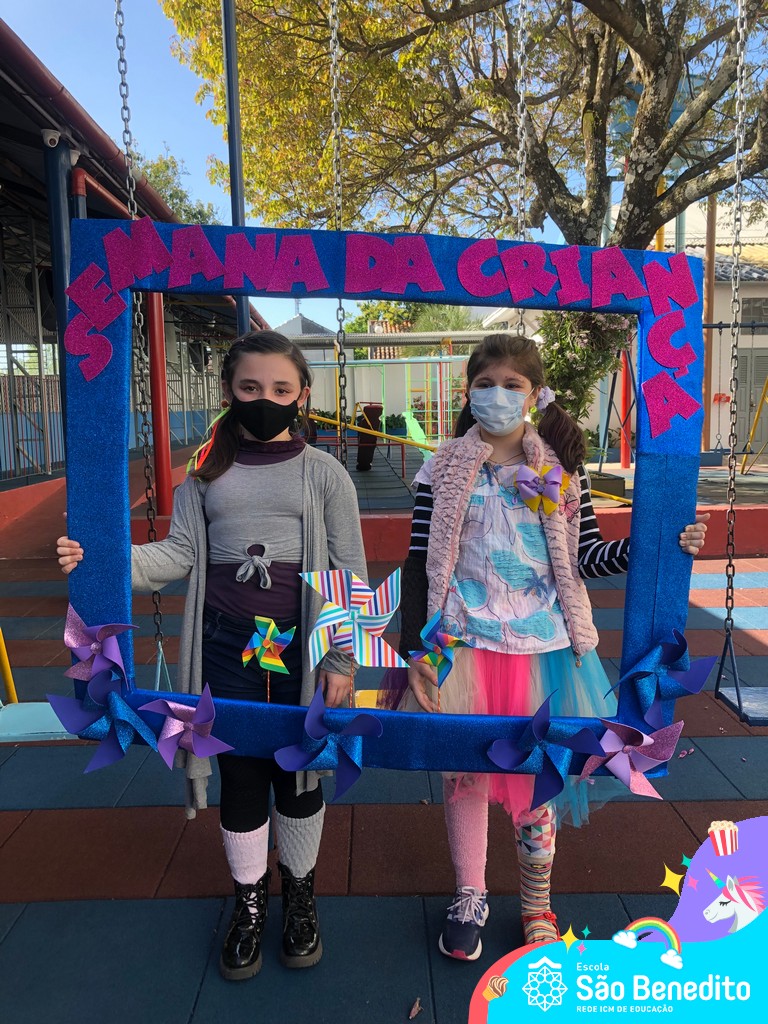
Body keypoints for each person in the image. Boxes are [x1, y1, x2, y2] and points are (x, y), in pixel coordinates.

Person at [57, 331, 367, 980]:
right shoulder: (206, 476)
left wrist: (341, 663)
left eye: (280, 389)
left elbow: (349, 572)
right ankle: (250, 901)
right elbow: (176, 555)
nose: (264, 400)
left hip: (300, 655)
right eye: (250, 388)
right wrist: (101, 559)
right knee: (242, 774)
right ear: (229, 391)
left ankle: (300, 894)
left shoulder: (325, 474)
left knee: (299, 774)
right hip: (226, 651)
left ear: (302, 395)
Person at [393, 333, 708, 960]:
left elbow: (585, 556)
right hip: (462, 646)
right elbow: (419, 558)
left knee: (539, 779)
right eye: (486, 384)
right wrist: (415, 652)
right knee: (466, 777)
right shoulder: (443, 467)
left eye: (512, 385)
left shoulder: (559, 471)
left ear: (534, 394)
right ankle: (469, 893)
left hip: (544, 652)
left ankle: (537, 903)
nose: (498, 395)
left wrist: (656, 547)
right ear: (468, 391)